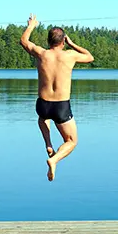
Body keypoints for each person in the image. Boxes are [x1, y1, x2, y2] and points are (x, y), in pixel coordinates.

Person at [19, 14, 94, 181]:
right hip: (61, 107)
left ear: (48, 41)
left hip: (43, 104)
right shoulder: (70, 55)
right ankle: (54, 159)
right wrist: (72, 43)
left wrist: (31, 25)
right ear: (62, 41)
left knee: (42, 118)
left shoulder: (41, 54)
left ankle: (48, 143)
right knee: (72, 141)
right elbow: (90, 57)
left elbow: (23, 41)